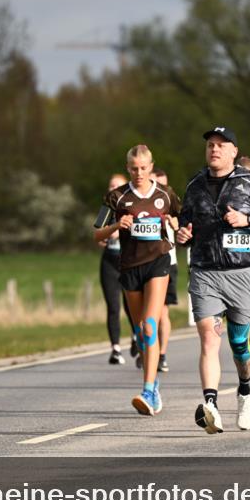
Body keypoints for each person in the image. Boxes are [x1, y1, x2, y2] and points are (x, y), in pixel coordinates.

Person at [176, 127, 250, 434]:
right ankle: (210, 406)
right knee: (209, 338)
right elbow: (185, 221)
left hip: (238, 273)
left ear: (234, 151)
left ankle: (245, 392)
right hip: (204, 271)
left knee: (240, 344)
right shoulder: (195, 184)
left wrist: (247, 220)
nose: (214, 150)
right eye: (210, 145)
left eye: (221, 146)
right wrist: (182, 233)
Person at [95, 146, 180, 416]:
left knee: (149, 327)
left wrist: (177, 226)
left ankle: (147, 391)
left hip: (158, 262)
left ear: (151, 166)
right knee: (140, 332)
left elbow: (182, 219)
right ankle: (153, 385)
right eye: (134, 168)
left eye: (144, 168)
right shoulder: (116, 197)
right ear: (128, 167)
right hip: (129, 267)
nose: (139, 173)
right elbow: (96, 234)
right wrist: (115, 227)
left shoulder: (165, 194)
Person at [94, 174, 134, 366]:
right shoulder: (106, 208)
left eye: (117, 185)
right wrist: (105, 235)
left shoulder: (134, 204)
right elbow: (97, 233)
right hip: (109, 262)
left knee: (131, 306)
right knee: (113, 306)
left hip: (129, 261)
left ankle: (136, 338)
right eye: (111, 185)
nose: (113, 188)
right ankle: (116, 349)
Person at [152, 169, 178, 373]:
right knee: (149, 312)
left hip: (169, 262)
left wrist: (171, 221)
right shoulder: (143, 203)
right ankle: (143, 344)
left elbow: (182, 226)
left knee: (162, 312)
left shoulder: (172, 202)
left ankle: (162, 354)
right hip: (146, 262)